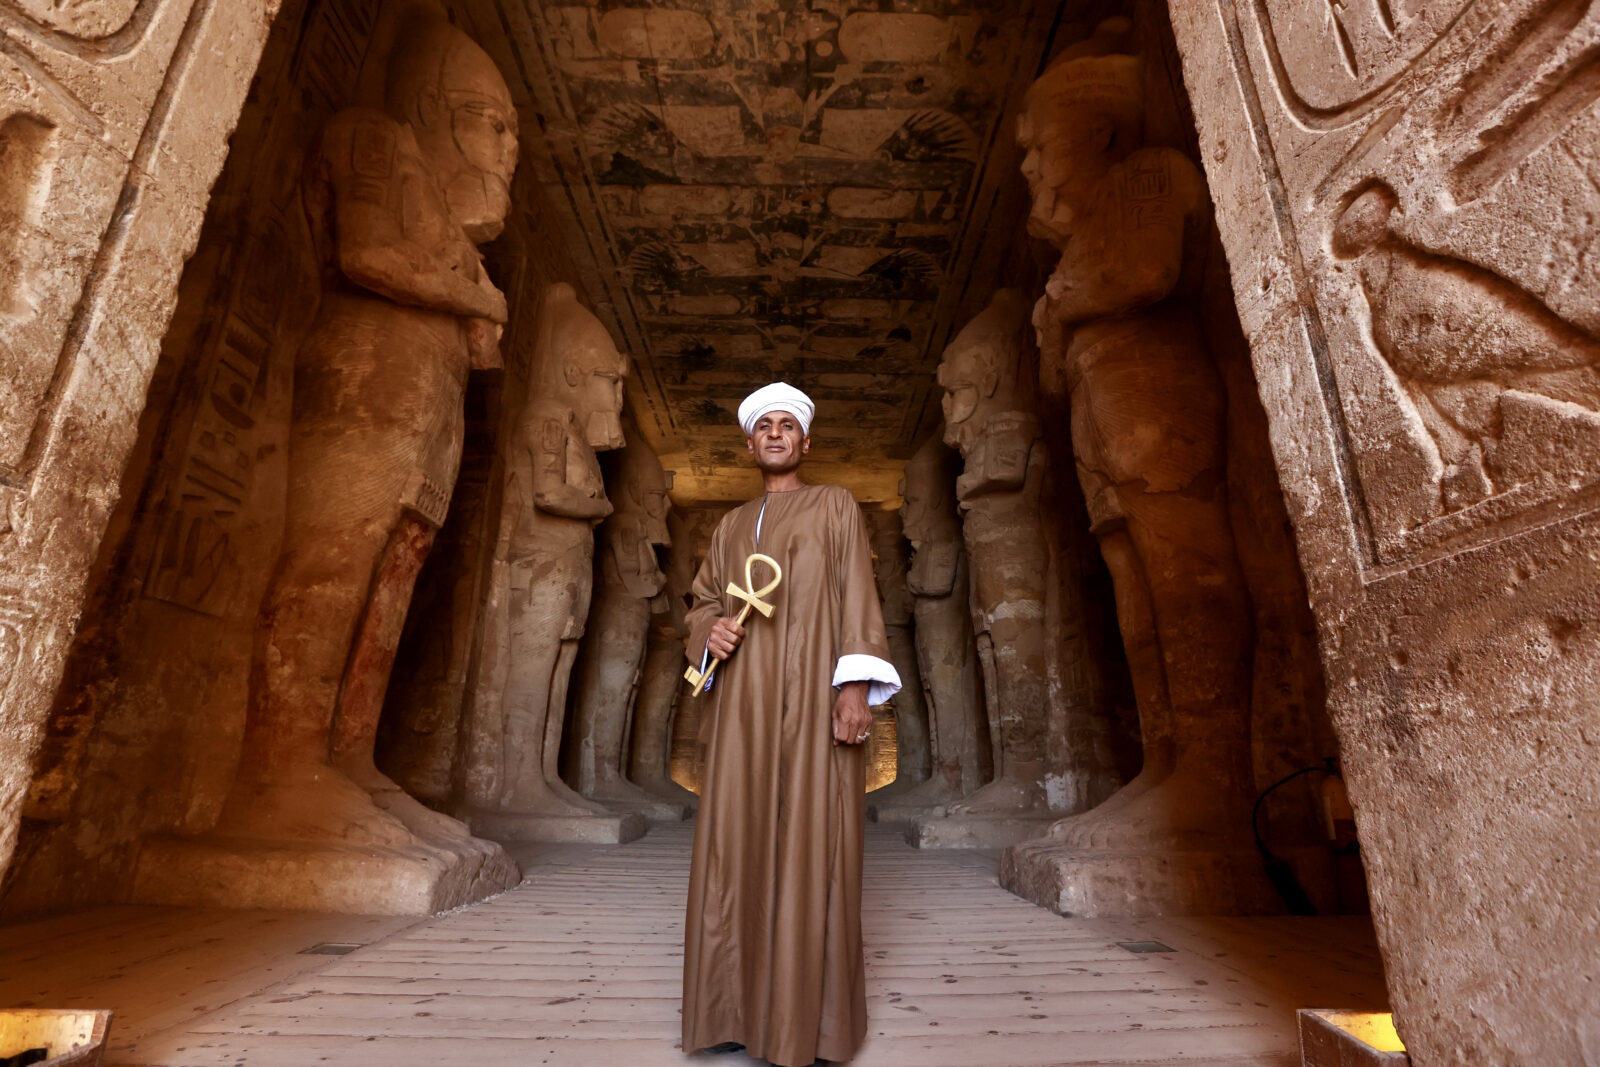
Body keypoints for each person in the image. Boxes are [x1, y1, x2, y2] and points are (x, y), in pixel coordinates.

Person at [682, 383, 901, 1066]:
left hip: (814, 699)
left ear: (805, 442)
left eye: (787, 425)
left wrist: (855, 689)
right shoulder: (727, 525)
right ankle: (734, 1009)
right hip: (743, 705)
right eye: (763, 426)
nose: (775, 434)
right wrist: (706, 632)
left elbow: (858, 596)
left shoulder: (835, 505)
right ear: (750, 445)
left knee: (815, 842)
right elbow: (703, 601)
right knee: (735, 844)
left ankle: (809, 1023)